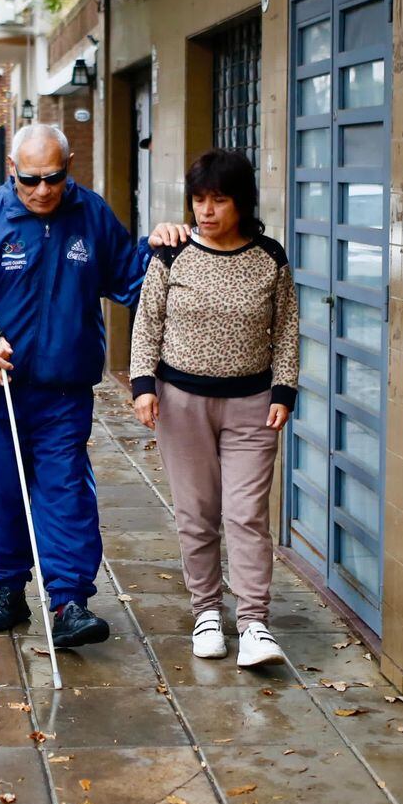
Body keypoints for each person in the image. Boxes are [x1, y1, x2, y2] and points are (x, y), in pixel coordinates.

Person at [0, 124, 149, 648]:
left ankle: (70, 600)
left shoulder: (91, 215)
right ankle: (7, 591)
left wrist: (166, 250)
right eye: (30, 179)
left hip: (64, 388)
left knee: (65, 489)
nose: (42, 190)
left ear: (68, 165)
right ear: (13, 168)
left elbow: (130, 278)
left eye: (54, 178)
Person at [131, 149, 298, 667]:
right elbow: (147, 322)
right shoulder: (172, 255)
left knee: (247, 514)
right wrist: (143, 385)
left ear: (241, 202)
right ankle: (206, 612)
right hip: (183, 406)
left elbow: (287, 328)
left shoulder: (270, 257)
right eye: (199, 199)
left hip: (252, 405)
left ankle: (253, 624)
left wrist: (284, 389)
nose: (206, 210)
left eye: (219, 200)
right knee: (197, 514)